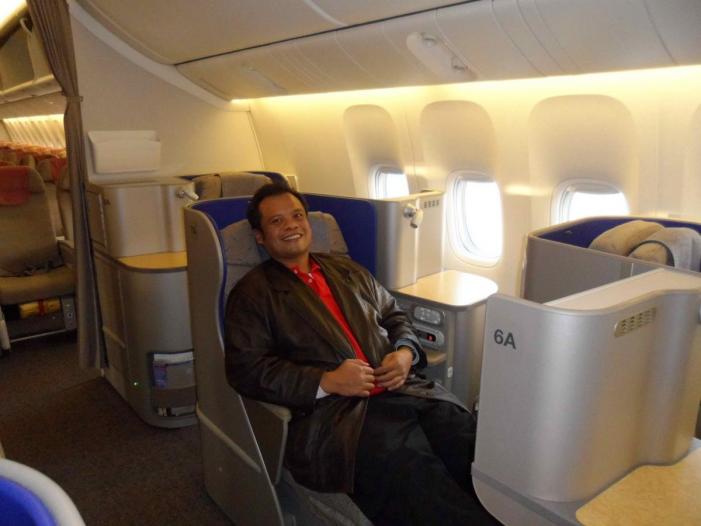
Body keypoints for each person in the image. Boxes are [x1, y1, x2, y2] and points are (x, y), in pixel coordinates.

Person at [225, 184, 496, 525]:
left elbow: (395, 316)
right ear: (260, 237)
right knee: (411, 465)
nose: (291, 225)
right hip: (340, 414)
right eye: (276, 221)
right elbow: (246, 368)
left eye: (297, 215)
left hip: (403, 389)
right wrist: (326, 381)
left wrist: (405, 353)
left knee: (464, 435)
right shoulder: (252, 293)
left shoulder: (347, 271)